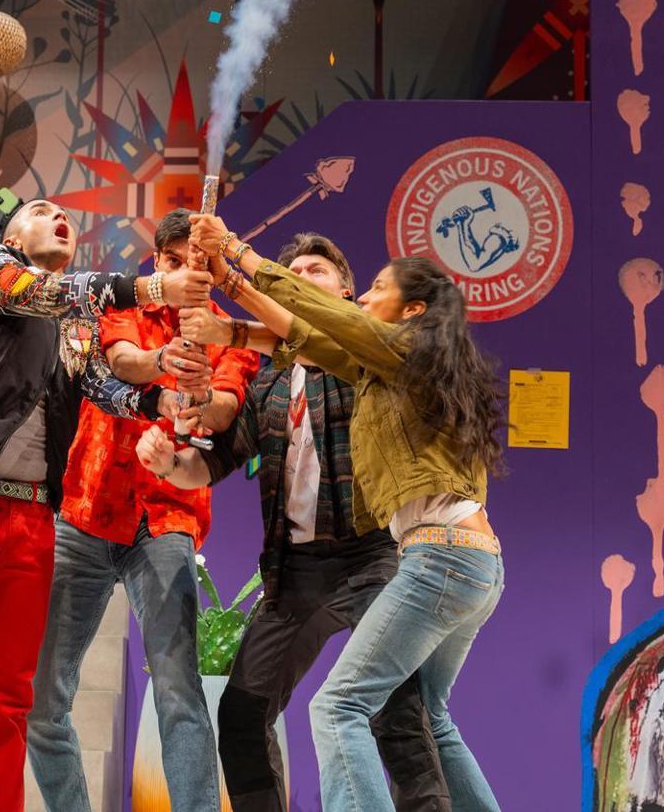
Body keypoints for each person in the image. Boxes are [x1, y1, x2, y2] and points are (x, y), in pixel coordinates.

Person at [0, 198, 214, 812]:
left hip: (32, 517)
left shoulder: (73, 324)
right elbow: (52, 291)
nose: (59, 217)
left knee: (12, 696)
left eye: (66, 214)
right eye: (41, 211)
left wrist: (159, 401)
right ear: (13, 233)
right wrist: (152, 286)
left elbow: (102, 387)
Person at [187, 215, 508, 812]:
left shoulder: (402, 348)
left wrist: (236, 252)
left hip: (429, 557)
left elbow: (321, 319)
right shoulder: (383, 364)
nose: (364, 299)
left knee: (338, 708)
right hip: (469, 560)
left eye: (376, 290)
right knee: (432, 721)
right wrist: (229, 300)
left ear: (412, 310)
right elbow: (304, 340)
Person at [139, 231, 448, 812]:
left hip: (372, 557)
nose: (304, 276)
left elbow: (312, 333)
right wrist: (170, 464)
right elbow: (214, 462)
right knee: (242, 714)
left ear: (348, 293)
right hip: (293, 571)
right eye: (294, 270)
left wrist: (234, 280)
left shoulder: (368, 355)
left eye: (318, 271)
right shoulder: (270, 381)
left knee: (396, 712)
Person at [28, 208, 259, 812]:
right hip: (84, 514)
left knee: (180, 694)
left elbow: (225, 411)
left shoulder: (232, 337)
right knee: (44, 700)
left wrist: (197, 399)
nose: (188, 272)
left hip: (167, 524)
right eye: (175, 261)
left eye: (200, 263)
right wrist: (165, 367)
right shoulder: (122, 303)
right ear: (160, 263)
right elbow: (122, 360)